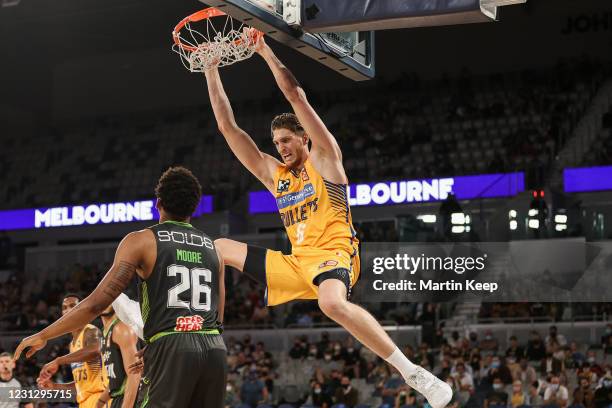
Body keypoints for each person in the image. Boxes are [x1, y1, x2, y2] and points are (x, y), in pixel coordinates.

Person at [204, 34, 451, 408]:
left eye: (287, 139)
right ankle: (207, 328)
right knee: (218, 248)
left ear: (304, 138)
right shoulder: (276, 177)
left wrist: (265, 51)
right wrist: (210, 68)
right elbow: (228, 127)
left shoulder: (325, 161)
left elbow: (296, 96)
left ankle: (412, 372)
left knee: (331, 304)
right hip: (298, 262)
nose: (281, 147)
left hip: (336, 255)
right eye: (276, 143)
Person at [14, 167, 227, 408]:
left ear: (158, 203)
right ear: (194, 207)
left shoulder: (141, 241)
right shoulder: (214, 249)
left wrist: (44, 335)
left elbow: (96, 303)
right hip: (214, 349)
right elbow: (218, 318)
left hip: (171, 346)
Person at [37, 294, 106, 408]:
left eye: (73, 305)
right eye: (64, 307)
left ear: (82, 309)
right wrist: (55, 386)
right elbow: (81, 385)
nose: (68, 310)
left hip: (99, 399)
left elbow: (96, 349)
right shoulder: (72, 345)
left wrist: (58, 361)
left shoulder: (90, 331)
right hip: (84, 402)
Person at [96, 306, 141, 408]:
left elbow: (134, 374)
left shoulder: (121, 328)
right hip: (119, 399)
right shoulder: (104, 334)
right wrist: (100, 402)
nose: (105, 302)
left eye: (109, 297)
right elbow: (117, 380)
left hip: (134, 398)